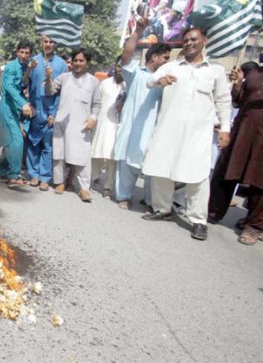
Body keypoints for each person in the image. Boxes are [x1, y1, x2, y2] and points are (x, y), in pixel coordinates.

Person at [141, 27, 231, 241]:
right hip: (168, 129)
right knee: (161, 168)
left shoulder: (215, 70)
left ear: (204, 41)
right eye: (186, 40)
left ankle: (198, 220)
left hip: (197, 134)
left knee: (197, 176)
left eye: (194, 39)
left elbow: (224, 101)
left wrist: (225, 128)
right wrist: (158, 81)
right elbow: (149, 80)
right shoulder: (172, 66)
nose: (189, 43)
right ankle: (162, 210)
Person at [113, 18, 171, 210]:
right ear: (154, 57)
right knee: (129, 164)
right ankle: (124, 196)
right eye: (165, 58)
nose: (166, 62)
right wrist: (138, 30)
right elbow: (127, 53)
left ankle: (152, 201)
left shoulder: (167, 80)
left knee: (153, 167)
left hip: (156, 131)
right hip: (134, 129)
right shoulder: (137, 74)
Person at [208, 61, 263, 244]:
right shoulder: (254, 70)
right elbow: (238, 101)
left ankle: (253, 226)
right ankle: (213, 211)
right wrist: (239, 84)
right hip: (242, 131)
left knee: (259, 181)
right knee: (226, 172)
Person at [47, 49, 101, 202]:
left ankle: (84, 188)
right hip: (62, 121)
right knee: (60, 153)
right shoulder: (64, 77)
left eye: (81, 60)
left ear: (87, 63)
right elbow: (49, 91)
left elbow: (97, 104)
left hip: (82, 124)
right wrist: (48, 78)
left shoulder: (93, 81)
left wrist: (93, 118)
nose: (77, 63)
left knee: (82, 155)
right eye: (75, 60)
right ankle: (60, 182)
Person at [26, 36, 68, 190]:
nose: (48, 44)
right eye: (46, 41)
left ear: (56, 44)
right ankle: (34, 174)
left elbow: (62, 91)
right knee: (32, 143)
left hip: (50, 110)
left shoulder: (62, 65)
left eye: (51, 42)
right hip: (35, 109)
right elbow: (27, 84)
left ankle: (45, 177)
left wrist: (54, 112)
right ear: (41, 43)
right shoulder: (34, 61)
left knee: (47, 145)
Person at [0, 41, 34, 185]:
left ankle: (3, 172)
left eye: (27, 53)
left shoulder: (25, 66)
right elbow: (11, 89)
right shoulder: (11, 67)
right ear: (17, 52)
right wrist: (23, 103)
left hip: (16, 106)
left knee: (8, 140)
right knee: (17, 139)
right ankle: (14, 174)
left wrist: (26, 103)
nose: (24, 55)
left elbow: (22, 86)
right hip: (7, 106)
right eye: (22, 52)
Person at [90, 57, 125, 198]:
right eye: (119, 66)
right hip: (102, 122)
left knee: (112, 156)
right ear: (114, 66)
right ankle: (94, 178)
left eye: (123, 66)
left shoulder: (128, 85)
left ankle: (108, 187)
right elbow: (97, 103)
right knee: (96, 151)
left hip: (118, 124)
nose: (121, 69)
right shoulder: (104, 83)